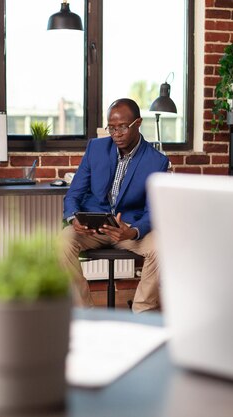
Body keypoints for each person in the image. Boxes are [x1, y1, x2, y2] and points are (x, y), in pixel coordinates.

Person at [59, 98, 170, 313]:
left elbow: (152, 211)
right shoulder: (96, 148)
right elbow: (74, 194)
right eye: (111, 127)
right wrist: (74, 219)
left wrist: (133, 231)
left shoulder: (156, 161)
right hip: (93, 227)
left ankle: (142, 311)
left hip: (128, 227)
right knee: (62, 241)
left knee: (160, 246)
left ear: (137, 123)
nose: (116, 133)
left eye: (122, 127)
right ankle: (85, 312)